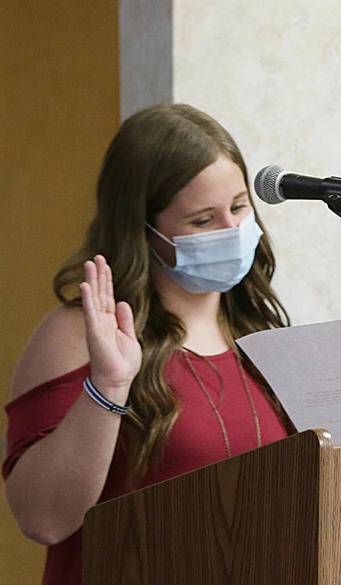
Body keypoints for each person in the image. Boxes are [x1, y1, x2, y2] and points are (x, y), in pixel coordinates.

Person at [3, 104, 292, 585]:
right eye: (202, 221)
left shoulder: (259, 331)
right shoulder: (77, 334)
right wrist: (109, 386)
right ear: (142, 229)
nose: (232, 231)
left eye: (239, 207)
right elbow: (42, 518)